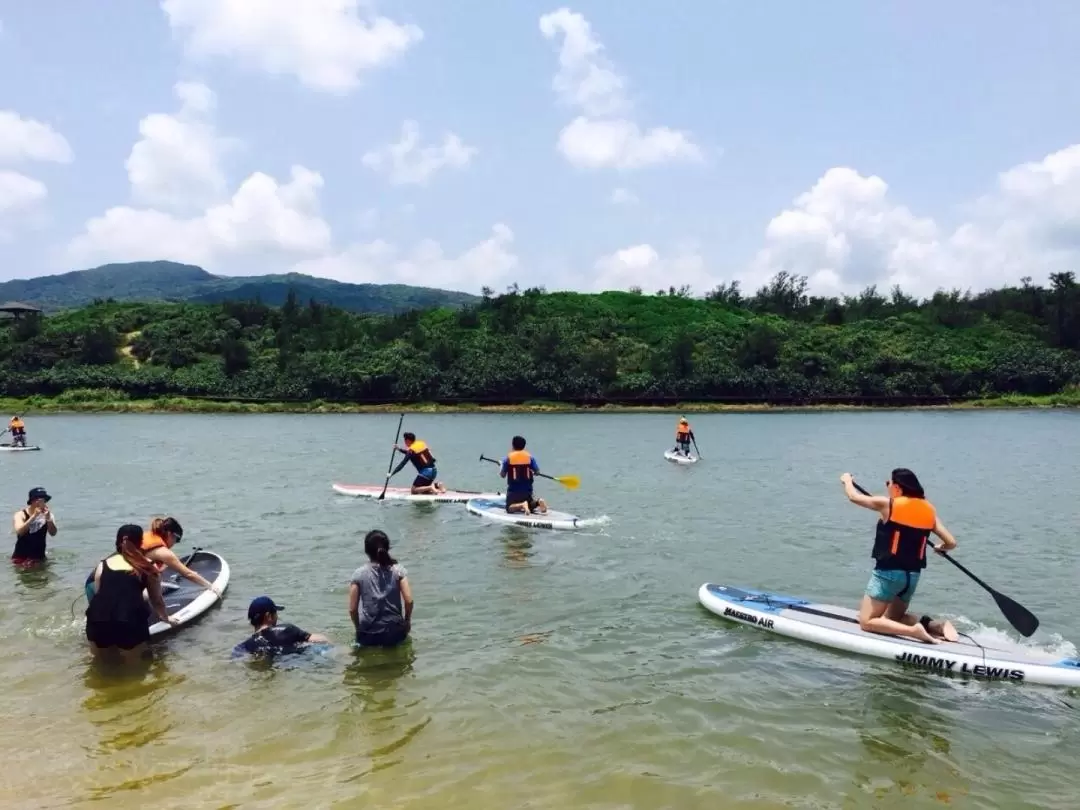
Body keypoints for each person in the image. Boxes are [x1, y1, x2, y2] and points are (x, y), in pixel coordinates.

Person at [840, 470, 959, 645]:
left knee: (867, 621)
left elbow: (853, 496)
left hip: (888, 574)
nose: (887, 487)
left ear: (897, 487)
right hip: (912, 577)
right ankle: (934, 626)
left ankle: (914, 631)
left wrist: (847, 480)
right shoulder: (929, 510)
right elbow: (951, 542)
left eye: (888, 484)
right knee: (892, 618)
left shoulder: (888, 505)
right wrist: (942, 548)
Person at [85, 524, 177, 660]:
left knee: (100, 665)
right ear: (140, 543)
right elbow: (156, 600)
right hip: (129, 622)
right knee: (135, 670)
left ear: (117, 542)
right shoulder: (147, 566)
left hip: (97, 620)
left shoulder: (102, 565)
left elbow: (100, 595)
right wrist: (166, 618)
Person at [348, 530, 413, 648]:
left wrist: (358, 629)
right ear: (387, 548)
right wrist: (407, 621)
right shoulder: (398, 571)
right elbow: (409, 601)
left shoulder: (358, 574)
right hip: (395, 632)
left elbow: (352, 610)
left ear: (366, 551)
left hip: (368, 634)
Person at [233, 596, 329, 657]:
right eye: (275, 613)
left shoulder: (245, 646)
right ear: (268, 616)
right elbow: (321, 640)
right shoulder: (287, 629)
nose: (277, 617)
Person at [499, 435, 547, 515]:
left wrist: (501, 466)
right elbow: (537, 472)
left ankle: (522, 505)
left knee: (509, 508)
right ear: (523, 446)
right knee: (530, 504)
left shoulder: (508, 459)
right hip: (527, 490)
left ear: (513, 445)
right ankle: (539, 502)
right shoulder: (530, 458)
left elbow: (502, 475)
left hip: (514, 491)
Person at [11, 487, 58, 566]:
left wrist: (48, 519)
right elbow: (19, 531)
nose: (41, 503)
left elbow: (53, 533)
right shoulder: (20, 514)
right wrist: (33, 517)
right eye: (38, 500)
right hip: (21, 558)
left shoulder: (48, 515)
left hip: (40, 558)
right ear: (32, 501)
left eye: (44, 500)